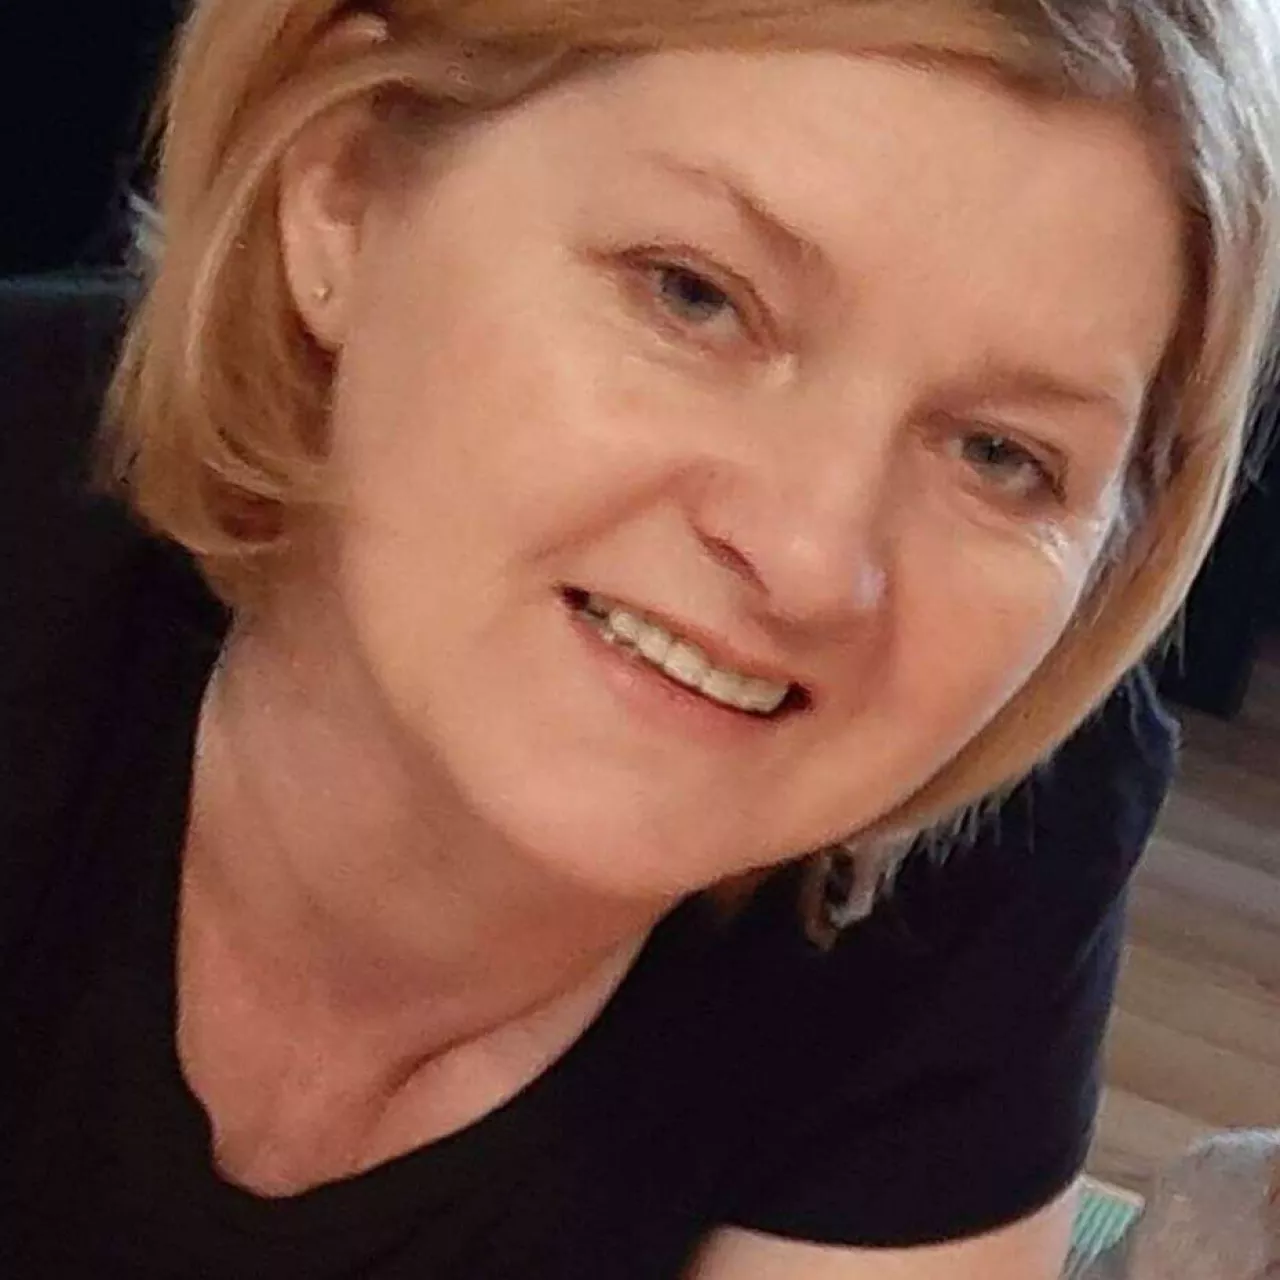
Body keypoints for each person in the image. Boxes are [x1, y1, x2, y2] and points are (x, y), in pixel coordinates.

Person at [3, 1, 1279, 1276]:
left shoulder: (996, 822)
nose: (809, 556)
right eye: (693, 296)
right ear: (344, 181)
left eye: (999, 455)